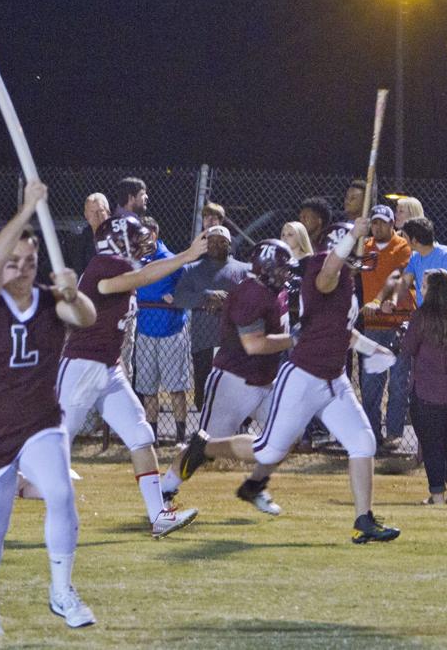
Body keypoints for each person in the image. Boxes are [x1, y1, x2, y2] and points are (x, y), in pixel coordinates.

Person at [175, 220, 401, 544]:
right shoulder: (322, 271)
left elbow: (341, 330)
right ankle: (205, 446)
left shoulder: (348, 279)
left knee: (364, 443)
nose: (363, 249)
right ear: (343, 244)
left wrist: (373, 349)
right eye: (357, 243)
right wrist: (352, 235)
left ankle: (363, 521)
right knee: (267, 451)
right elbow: (326, 277)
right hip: (304, 377)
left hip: (334, 379)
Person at [0, 182, 98, 635]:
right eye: (13, 261)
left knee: (61, 495)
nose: (20, 270)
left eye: (29, 262)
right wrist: (26, 210)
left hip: (40, 420)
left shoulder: (48, 300)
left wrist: (74, 293)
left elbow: (86, 320)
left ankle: (62, 591)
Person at [58, 214, 207, 537]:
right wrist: (185, 256)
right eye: (136, 238)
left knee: (140, 434)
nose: (142, 245)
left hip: (108, 367)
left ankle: (159, 515)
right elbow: (133, 281)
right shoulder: (105, 263)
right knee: (56, 442)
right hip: (83, 367)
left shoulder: (122, 266)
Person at [160, 239, 294, 514]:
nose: (286, 275)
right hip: (234, 381)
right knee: (203, 445)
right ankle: (165, 489)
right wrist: (295, 340)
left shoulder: (272, 291)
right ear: (265, 268)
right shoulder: (250, 294)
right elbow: (254, 345)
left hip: (264, 380)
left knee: (286, 436)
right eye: (281, 269)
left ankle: (255, 486)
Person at [402, 270, 447, 505]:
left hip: (429, 393)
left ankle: (437, 495)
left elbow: (409, 348)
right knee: (444, 438)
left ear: (432, 290)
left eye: (423, 285)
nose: (421, 289)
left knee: (432, 443)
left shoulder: (423, 316)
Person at [171, 226, 249, 411]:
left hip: (235, 341)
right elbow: (180, 298)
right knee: (204, 394)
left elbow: (253, 300)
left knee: (237, 391)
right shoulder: (192, 269)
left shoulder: (245, 269)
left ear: (229, 244)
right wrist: (207, 296)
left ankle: (237, 433)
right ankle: (206, 434)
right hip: (204, 342)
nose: (215, 244)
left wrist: (228, 301)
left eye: (221, 241)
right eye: (211, 241)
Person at [359, 204, 415, 450]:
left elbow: (398, 276)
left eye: (383, 222)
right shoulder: (365, 247)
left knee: (398, 381)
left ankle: (394, 432)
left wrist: (384, 302)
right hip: (373, 324)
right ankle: (372, 432)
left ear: (392, 224)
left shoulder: (402, 247)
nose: (378, 226)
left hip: (398, 322)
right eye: (374, 222)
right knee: (371, 381)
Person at [133, 217, 192, 444]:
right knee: (148, 389)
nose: (140, 240)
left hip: (171, 329)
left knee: (176, 388)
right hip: (145, 329)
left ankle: (180, 438)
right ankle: (152, 437)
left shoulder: (170, 260)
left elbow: (189, 286)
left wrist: (177, 297)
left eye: (144, 235)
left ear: (154, 235)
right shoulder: (135, 260)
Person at [384, 217, 447, 306]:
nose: (403, 241)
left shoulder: (445, 255)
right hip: (425, 314)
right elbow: (405, 281)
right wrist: (394, 301)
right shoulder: (415, 257)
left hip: (442, 316)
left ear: (414, 241)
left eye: (405, 237)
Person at [74, 192, 110, 275]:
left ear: (108, 212)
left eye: (100, 211)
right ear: (86, 215)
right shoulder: (80, 241)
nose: (96, 215)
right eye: (92, 211)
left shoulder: (118, 234)